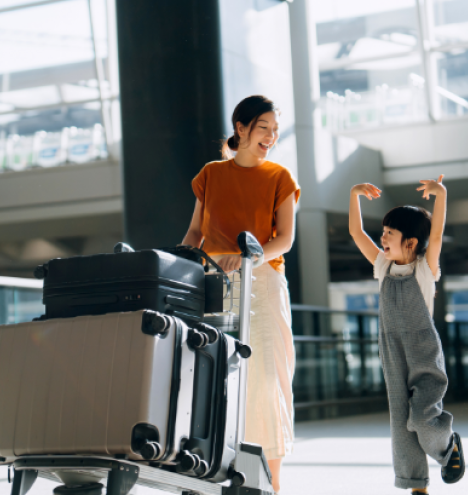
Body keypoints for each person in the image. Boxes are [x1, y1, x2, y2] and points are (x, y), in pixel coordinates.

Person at [182, 95, 300, 493]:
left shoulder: (279, 177)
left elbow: (284, 240)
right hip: (214, 283)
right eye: (263, 126)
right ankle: (215, 473)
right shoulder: (212, 174)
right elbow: (196, 233)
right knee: (215, 378)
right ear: (241, 128)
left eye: (274, 128)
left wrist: (245, 257)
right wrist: (180, 265)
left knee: (266, 380)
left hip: (261, 282)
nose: (271, 135)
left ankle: (273, 485)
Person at [348, 175, 465, 494]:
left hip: (424, 353)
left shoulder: (425, 268)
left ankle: (448, 446)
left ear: (410, 243)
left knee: (424, 419)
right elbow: (356, 232)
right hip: (392, 353)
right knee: (402, 424)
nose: (382, 238)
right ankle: (417, 486)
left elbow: (437, 233)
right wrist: (354, 194)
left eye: (389, 233)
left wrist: (440, 195)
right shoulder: (382, 266)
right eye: (383, 232)